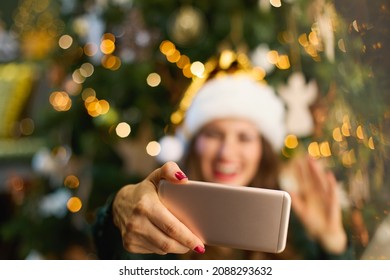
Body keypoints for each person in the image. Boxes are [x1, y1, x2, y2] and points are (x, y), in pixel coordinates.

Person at [92, 50, 354, 260]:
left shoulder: (289, 222)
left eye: (244, 137)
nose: (227, 152)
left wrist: (333, 243)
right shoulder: (159, 212)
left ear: (262, 150)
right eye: (213, 134)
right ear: (194, 144)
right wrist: (117, 211)